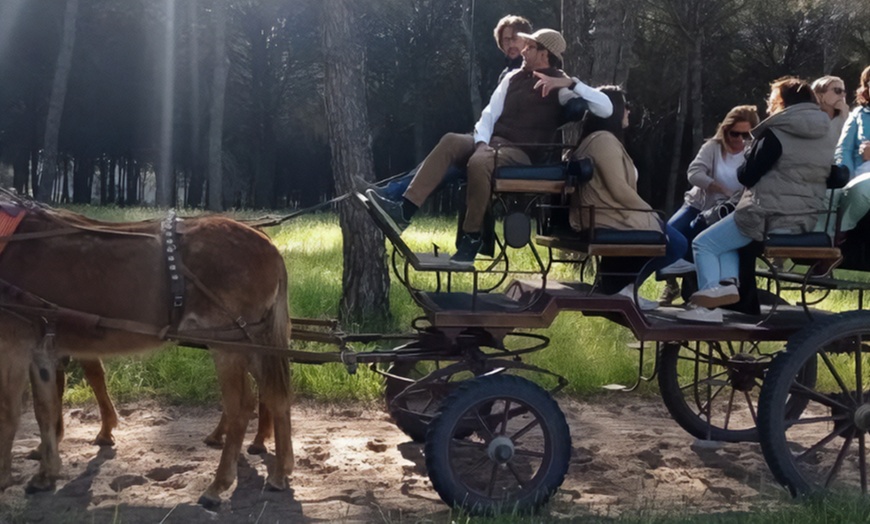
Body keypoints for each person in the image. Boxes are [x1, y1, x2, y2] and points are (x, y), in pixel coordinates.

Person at [367, 29, 613, 266]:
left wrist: (572, 83)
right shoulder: (511, 77)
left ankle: (472, 237)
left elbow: (606, 108)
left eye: (530, 47)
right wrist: (482, 143)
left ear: (544, 54)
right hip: (493, 142)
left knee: (479, 163)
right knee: (451, 140)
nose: (523, 50)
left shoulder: (561, 89)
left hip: (522, 153)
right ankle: (405, 211)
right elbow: (489, 115)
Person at [678, 77, 832, 323]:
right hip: (804, 217)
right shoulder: (825, 133)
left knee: (702, 244)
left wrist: (749, 153)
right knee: (726, 239)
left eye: (772, 100)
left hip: (767, 214)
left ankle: (709, 304)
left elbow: (747, 176)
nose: (769, 106)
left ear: (782, 102)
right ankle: (727, 285)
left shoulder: (777, 132)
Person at [363, 15, 534, 201]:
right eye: (505, 40)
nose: (510, 45)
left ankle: (393, 195)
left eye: (515, 38)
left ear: (527, 39)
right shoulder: (506, 73)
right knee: (448, 148)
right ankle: (392, 193)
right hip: (491, 140)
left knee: (453, 162)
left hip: (512, 148)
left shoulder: (536, 71)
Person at [569, 86, 688, 309]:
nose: (629, 111)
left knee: (677, 242)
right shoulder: (603, 141)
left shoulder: (605, 140)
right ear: (612, 110)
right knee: (677, 243)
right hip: (608, 214)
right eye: (625, 106)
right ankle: (622, 289)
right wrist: (650, 213)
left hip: (613, 211)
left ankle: (623, 287)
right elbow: (618, 189)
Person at [658, 106, 760, 305]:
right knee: (667, 236)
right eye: (734, 134)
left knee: (709, 243)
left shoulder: (754, 151)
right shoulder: (713, 147)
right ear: (725, 130)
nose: (740, 139)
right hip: (700, 204)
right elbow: (694, 173)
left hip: (729, 210)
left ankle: (702, 285)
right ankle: (671, 283)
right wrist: (716, 186)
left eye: (746, 135)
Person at [832, 66, 870, 234]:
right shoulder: (858, 115)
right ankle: (839, 234)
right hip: (860, 179)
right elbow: (843, 149)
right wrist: (847, 176)